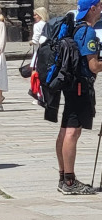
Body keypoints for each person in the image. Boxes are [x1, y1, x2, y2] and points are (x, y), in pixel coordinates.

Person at [45, 0, 102, 195]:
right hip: (81, 87)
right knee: (72, 132)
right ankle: (69, 181)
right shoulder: (88, 32)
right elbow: (93, 65)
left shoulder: (73, 27)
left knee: (65, 130)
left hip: (70, 85)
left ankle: (64, 177)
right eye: (100, 5)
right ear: (92, 9)